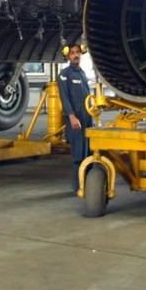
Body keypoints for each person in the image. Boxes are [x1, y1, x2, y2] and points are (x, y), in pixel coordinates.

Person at [57, 43, 92, 192]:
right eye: (72, 53)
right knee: (78, 154)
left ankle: (88, 185)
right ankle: (79, 187)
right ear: (67, 56)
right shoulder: (64, 75)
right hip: (75, 119)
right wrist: (71, 116)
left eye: (77, 52)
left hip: (87, 118)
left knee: (89, 152)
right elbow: (64, 98)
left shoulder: (82, 74)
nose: (76, 55)